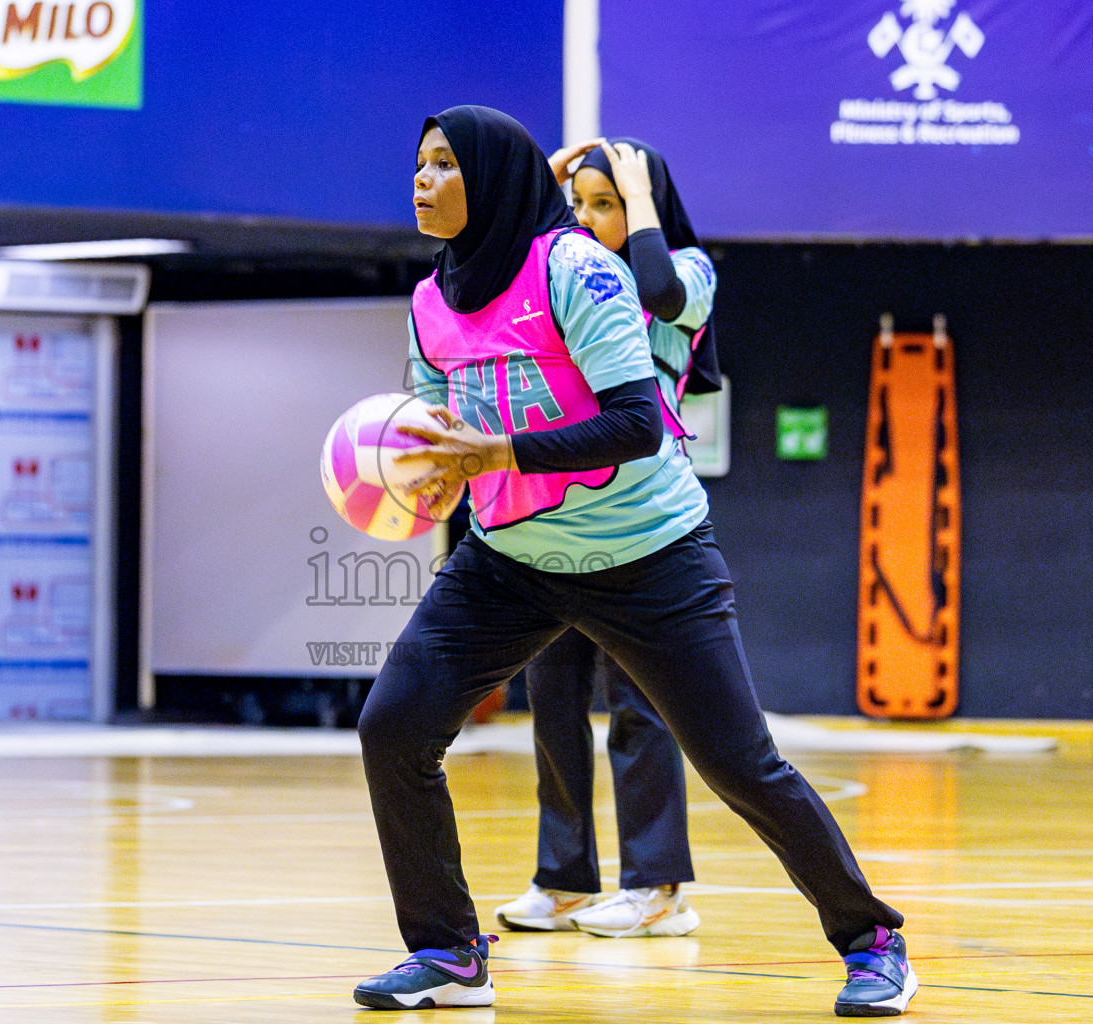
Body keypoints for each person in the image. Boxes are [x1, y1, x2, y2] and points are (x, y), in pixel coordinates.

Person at [352, 105, 915, 1016]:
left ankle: (871, 937)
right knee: (395, 724)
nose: (421, 179)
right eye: (417, 164)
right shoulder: (428, 300)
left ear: (492, 176)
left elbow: (636, 422)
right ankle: (449, 952)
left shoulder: (574, 269)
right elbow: (433, 430)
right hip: (511, 556)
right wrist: (411, 472)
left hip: (650, 554)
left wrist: (500, 454)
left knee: (740, 765)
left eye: (444, 164)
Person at [493, 137, 720, 939]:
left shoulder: (691, 269)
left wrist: (641, 199)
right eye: (578, 207)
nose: (586, 221)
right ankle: (564, 881)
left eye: (606, 205)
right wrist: (539, 188)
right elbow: (510, 258)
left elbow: (656, 290)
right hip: (559, 516)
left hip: (642, 523)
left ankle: (658, 889)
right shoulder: (559, 269)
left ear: (642, 204)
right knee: (553, 699)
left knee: (640, 705)